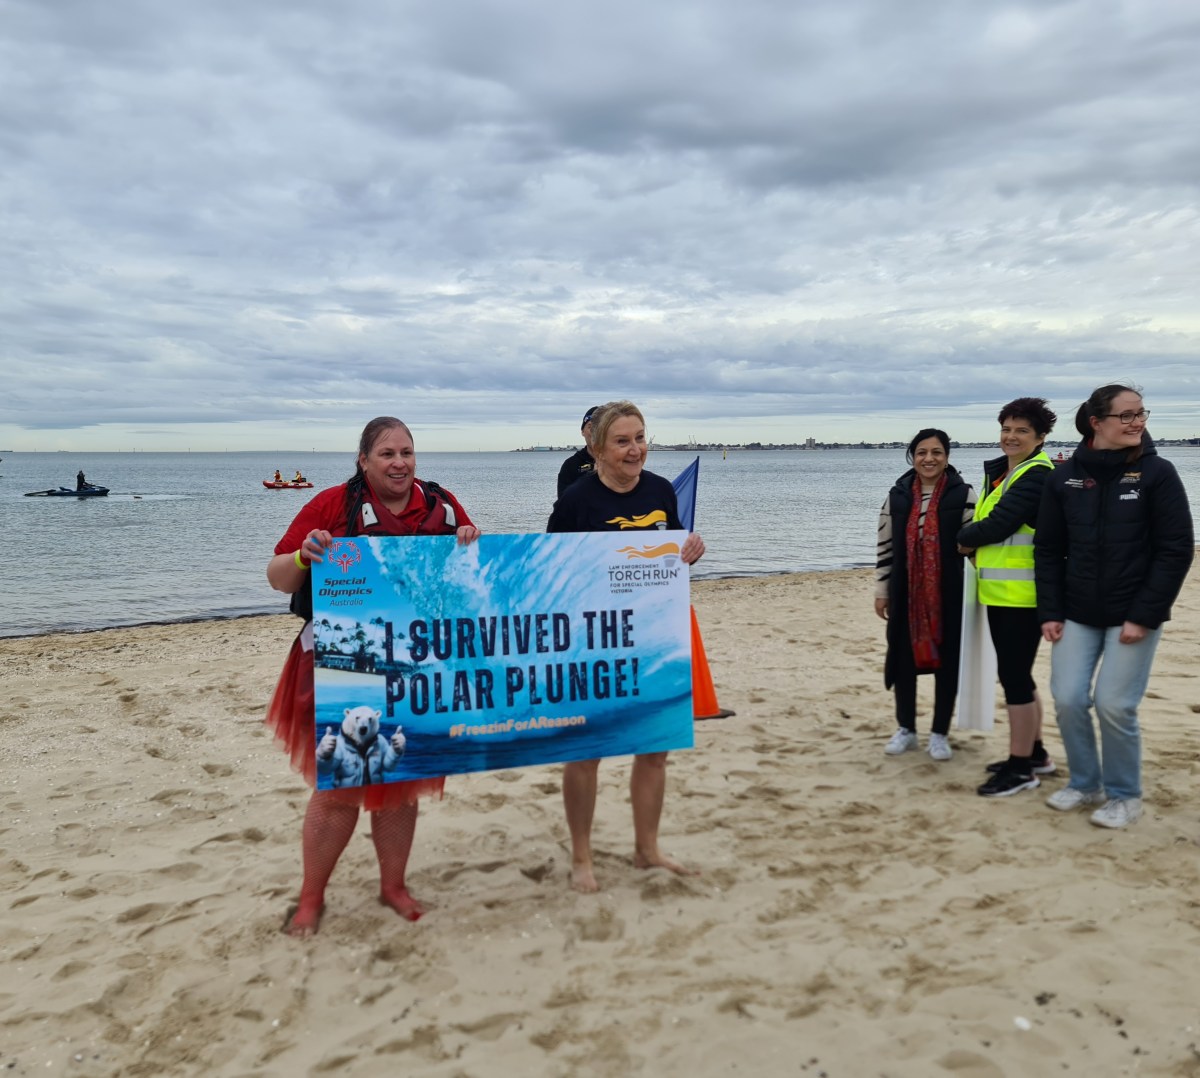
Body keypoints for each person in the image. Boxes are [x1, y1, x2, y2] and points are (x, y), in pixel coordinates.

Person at [265, 417, 481, 935]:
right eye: (386, 453)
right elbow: (277, 576)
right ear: (363, 460)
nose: (400, 463)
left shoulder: (442, 504)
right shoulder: (332, 505)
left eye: (407, 452)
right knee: (340, 786)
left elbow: (472, 580)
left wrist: (473, 543)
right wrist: (304, 554)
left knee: (400, 781)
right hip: (342, 664)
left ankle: (393, 886)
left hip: (416, 665)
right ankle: (312, 897)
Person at [547, 401, 706, 892]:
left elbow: (670, 555)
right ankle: (581, 858)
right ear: (597, 447)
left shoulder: (660, 490)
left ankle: (646, 848)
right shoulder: (576, 499)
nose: (635, 449)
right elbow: (551, 571)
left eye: (640, 437)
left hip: (656, 635)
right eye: (622, 440)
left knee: (655, 750)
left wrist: (690, 549)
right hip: (593, 642)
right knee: (587, 751)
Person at [1035, 385, 1193, 828]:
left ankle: (1125, 795)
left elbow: (1175, 549)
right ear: (1095, 422)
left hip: (1133, 614)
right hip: (1076, 611)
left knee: (1114, 704)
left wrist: (1144, 615)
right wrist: (1049, 610)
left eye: (1140, 413)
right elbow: (1047, 550)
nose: (1137, 422)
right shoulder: (1063, 477)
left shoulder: (1157, 473)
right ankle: (1086, 784)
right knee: (1067, 698)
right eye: (1126, 416)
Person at [958, 398, 1058, 797]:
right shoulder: (1007, 473)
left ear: (1040, 438)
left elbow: (997, 525)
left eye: (1021, 431)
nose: (1011, 437)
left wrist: (961, 541)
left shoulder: (1036, 474)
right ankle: (1036, 754)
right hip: (1001, 592)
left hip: (1021, 595)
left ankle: (1021, 769)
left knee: (1014, 678)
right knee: (1019, 675)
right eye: (1006, 429)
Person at [875, 429, 976, 760]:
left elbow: (973, 547)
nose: (928, 459)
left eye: (936, 452)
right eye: (921, 452)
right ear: (912, 456)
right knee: (902, 659)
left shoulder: (964, 493)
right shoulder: (898, 495)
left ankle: (939, 733)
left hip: (949, 593)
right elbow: (886, 545)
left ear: (947, 456)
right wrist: (882, 590)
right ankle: (906, 728)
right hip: (905, 592)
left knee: (948, 662)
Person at [556, 405, 602, 497]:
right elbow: (564, 506)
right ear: (582, 432)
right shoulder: (570, 466)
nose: (595, 431)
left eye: (600, 427)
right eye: (590, 426)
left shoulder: (620, 462)